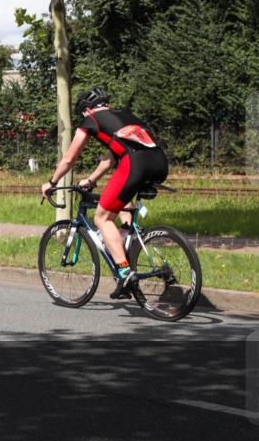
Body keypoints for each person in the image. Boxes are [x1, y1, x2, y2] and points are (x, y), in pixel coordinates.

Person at [41, 87, 168, 299]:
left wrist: (51, 182)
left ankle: (126, 272)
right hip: (159, 164)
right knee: (120, 206)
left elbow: (69, 159)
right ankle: (126, 253)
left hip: (135, 165)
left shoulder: (91, 119)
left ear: (86, 109)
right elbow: (110, 158)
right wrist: (91, 180)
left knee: (101, 217)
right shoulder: (124, 116)